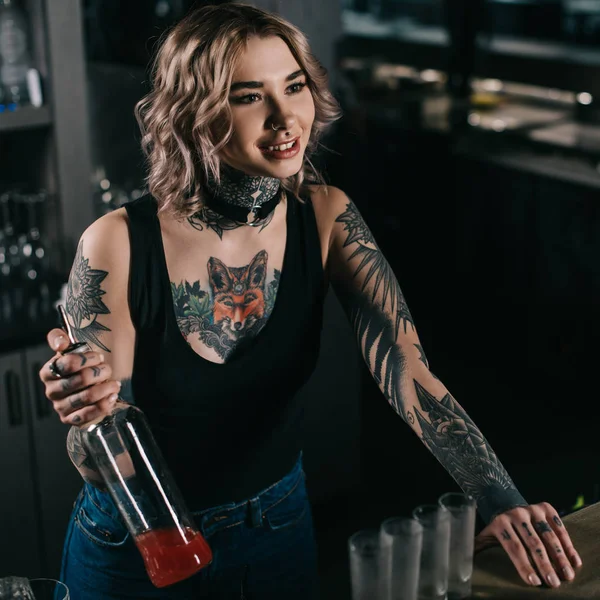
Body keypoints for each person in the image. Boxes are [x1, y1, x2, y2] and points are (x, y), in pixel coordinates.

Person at [38, 3, 582, 599]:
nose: (284, 117)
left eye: (293, 86)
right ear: (194, 114)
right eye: (249, 96)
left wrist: (500, 498)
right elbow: (95, 457)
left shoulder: (327, 217)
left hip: (275, 529)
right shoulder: (116, 242)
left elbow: (406, 370)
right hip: (140, 545)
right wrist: (83, 409)